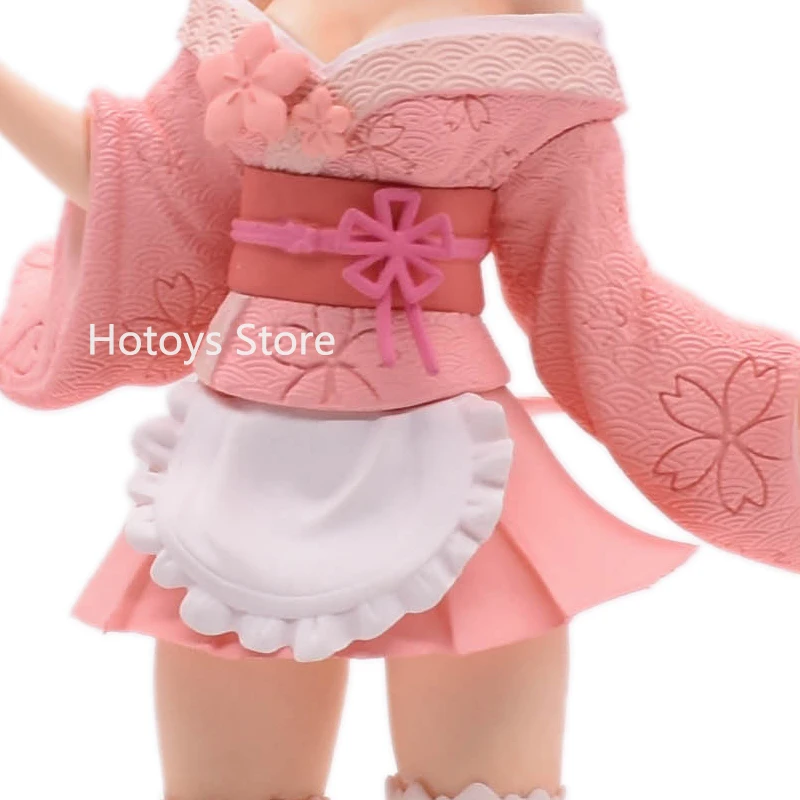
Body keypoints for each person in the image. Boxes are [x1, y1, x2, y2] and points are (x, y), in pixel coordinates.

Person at [1, 1, 799, 798]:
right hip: (244, 449)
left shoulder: (536, 52)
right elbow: (145, 185)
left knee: (482, 784)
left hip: (451, 459)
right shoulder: (250, 18)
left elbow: (599, 302)